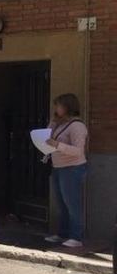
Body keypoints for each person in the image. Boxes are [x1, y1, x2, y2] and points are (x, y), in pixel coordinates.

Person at [44, 93, 89, 248]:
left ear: (67, 107)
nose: (56, 108)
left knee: (72, 203)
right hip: (58, 167)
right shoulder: (59, 123)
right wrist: (52, 123)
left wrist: (57, 145)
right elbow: (46, 138)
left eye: (58, 105)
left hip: (72, 168)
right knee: (61, 203)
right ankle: (62, 233)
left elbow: (78, 151)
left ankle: (76, 237)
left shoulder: (77, 126)